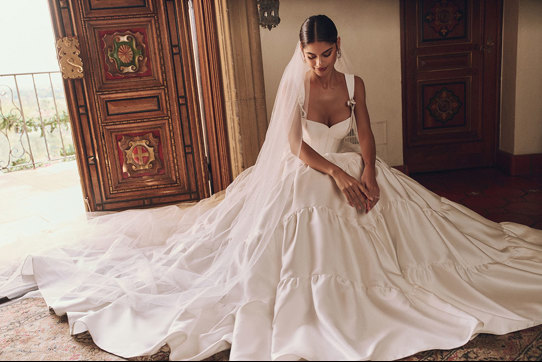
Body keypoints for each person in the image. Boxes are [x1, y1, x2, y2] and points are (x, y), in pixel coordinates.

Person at [1, 14, 542, 361]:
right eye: (311, 56)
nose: (319, 63)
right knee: (314, 199)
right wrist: (336, 173)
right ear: (301, 54)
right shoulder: (296, 83)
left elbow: (368, 135)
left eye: (326, 54)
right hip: (307, 170)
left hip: (353, 164)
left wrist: (370, 174)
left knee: (388, 201)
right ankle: (327, 296)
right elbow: (295, 148)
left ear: (338, 48)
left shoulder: (353, 83)